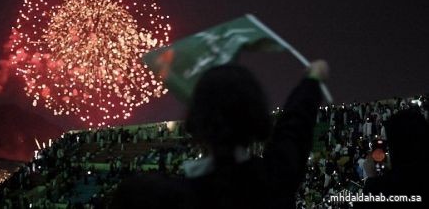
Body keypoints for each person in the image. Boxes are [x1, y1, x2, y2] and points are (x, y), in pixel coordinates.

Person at [110, 60, 328, 209]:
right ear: (256, 117)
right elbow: (294, 127)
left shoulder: (158, 197)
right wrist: (311, 80)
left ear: (196, 120)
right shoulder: (276, 179)